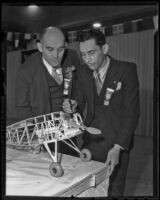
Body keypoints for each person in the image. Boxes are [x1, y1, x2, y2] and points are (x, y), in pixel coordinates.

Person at [63, 29, 140, 196]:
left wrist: (118, 147)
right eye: (83, 54)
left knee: (114, 190)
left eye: (91, 53)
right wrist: (72, 105)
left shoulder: (127, 70)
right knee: (90, 189)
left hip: (116, 143)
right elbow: (79, 100)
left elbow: (132, 113)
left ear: (104, 49)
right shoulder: (82, 72)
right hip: (91, 140)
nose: (87, 59)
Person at [14, 26, 81, 155]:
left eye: (61, 49)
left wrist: (75, 102)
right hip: (42, 132)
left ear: (66, 45)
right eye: (49, 49)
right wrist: (33, 136)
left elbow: (79, 87)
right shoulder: (25, 70)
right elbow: (22, 107)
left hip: (68, 129)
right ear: (40, 47)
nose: (56, 56)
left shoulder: (72, 57)